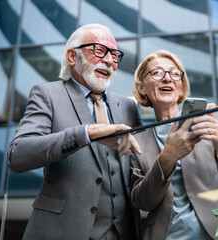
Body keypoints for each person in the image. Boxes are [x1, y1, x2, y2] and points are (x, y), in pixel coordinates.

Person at [8, 24, 142, 240]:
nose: (109, 60)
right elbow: (18, 155)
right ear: (72, 56)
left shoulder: (128, 106)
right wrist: (87, 133)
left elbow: (139, 170)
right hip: (61, 231)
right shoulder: (47, 94)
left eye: (115, 55)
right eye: (99, 50)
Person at [130, 50, 218, 240]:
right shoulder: (136, 142)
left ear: (181, 86)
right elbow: (143, 202)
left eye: (175, 73)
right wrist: (167, 158)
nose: (167, 79)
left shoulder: (212, 117)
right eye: (157, 73)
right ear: (143, 87)